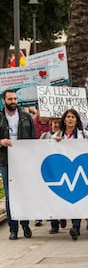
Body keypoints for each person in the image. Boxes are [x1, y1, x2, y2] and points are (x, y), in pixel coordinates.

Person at [52, 109, 88, 240]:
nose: (70, 119)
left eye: (73, 117)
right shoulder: (57, 135)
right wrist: (55, 143)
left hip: (78, 170)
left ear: (77, 120)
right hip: (62, 171)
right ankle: (62, 218)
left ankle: (76, 226)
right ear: (64, 120)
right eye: (68, 117)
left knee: (76, 198)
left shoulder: (83, 134)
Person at [0, 89, 36, 240]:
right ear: (4, 101)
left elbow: (33, 139)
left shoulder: (26, 117)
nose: (13, 101)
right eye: (10, 99)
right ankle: (13, 228)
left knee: (24, 193)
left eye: (15, 98)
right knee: (10, 195)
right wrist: (1, 141)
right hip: (6, 160)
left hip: (23, 161)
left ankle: (25, 224)